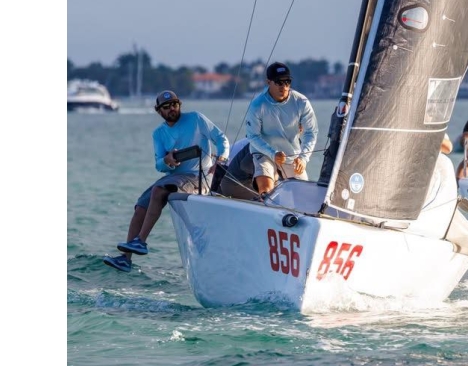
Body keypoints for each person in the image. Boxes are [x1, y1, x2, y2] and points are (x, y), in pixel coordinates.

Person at [103, 90, 230, 272]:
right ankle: (125, 259)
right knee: (140, 206)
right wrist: (168, 161)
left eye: (175, 104)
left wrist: (222, 159)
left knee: (159, 190)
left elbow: (222, 139)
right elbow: (159, 164)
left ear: (179, 104)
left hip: (199, 176)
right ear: (158, 111)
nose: (172, 108)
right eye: (166, 107)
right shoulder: (159, 134)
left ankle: (141, 241)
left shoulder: (196, 119)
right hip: (174, 176)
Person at [247, 62, 318, 196]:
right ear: (269, 82)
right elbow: (253, 136)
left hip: (292, 155)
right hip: (264, 153)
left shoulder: (301, 102)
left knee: (305, 196)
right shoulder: (257, 105)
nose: (284, 86)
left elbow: (311, 132)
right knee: (266, 188)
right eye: (279, 82)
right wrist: (273, 153)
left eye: (287, 81)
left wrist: (303, 158)